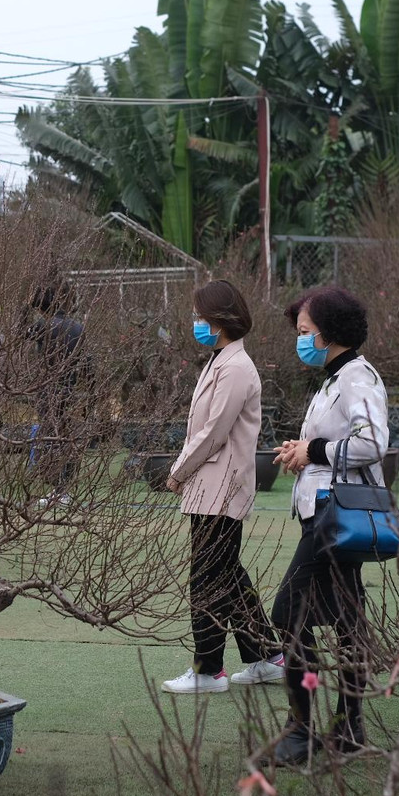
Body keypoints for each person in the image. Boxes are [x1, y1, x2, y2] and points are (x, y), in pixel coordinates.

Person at [269, 285, 388, 764]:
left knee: (287, 613)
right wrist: (301, 454)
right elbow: (335, 443)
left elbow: (372, 442)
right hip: (323, 512)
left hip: (333, 518)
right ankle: (348, 727)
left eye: (304, 331)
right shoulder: (335, 378)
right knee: (347, 619)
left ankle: (301, 732)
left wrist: (312, 451)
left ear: (329, 333)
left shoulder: (357, 377)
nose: (299, 339)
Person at [161, 281, 285, 694]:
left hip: (221, 486)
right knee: (226, 574)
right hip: (213, 484)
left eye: (201, 316)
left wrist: (177, 470)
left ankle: (208, 670)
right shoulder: (221, 361)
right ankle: (268, 656)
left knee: (208, 578)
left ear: (220, 320)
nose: (196, 323)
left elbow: (213, 433)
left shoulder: (234, 368)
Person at [27, 284, 86, 506]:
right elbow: (85, 360)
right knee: (65, 436)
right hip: (69, 387)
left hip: (48, 387)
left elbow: (21, 334)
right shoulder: (77, 328)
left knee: (51, 437)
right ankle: (64, 487)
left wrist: (25, 306)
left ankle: (57, 487)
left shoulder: (44, 326)